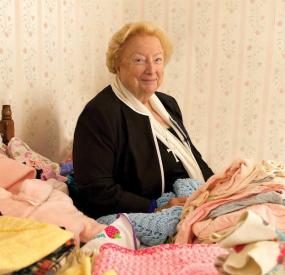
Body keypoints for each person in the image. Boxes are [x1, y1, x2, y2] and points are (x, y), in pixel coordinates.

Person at [73, 21, 214, 219]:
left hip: (190, 203)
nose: (151, 69)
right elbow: (96, 190)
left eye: (157, 60)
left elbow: (193, 157)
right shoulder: (99, 114)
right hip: (145, 215)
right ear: (117, 64)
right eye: (139, 60)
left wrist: (219, 190)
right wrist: (156, 207)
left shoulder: (167, 104)